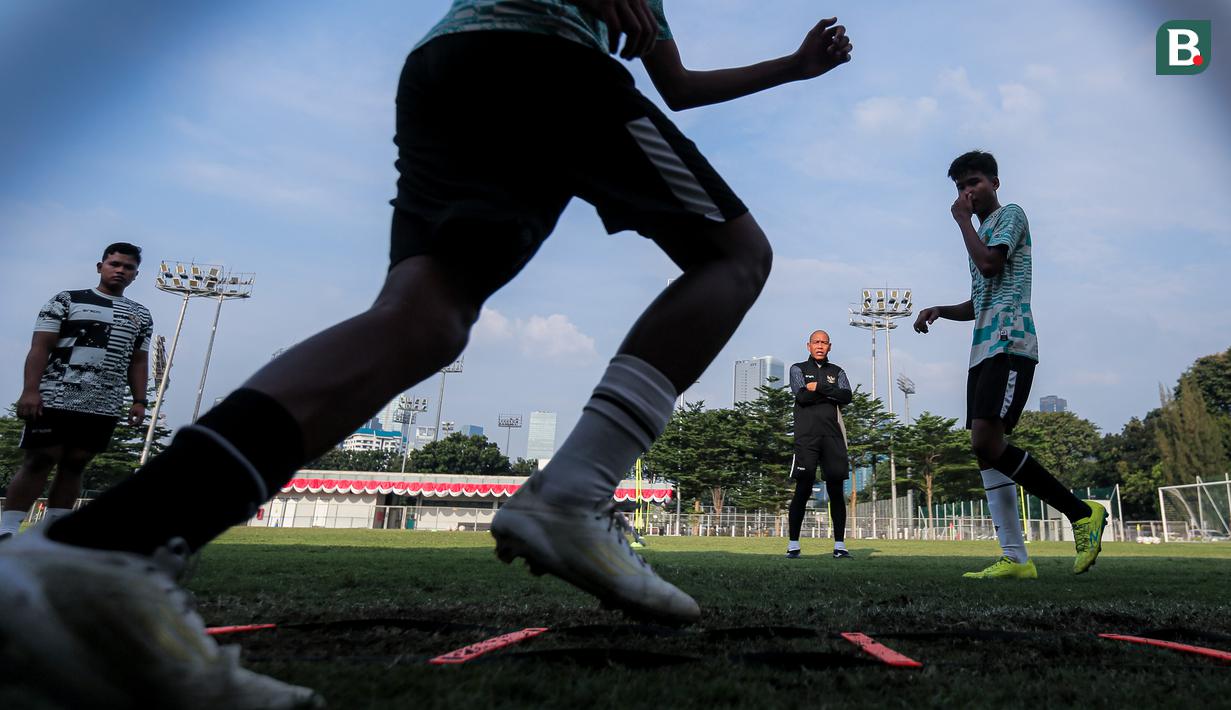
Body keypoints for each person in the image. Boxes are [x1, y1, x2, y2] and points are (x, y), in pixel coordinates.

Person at [0, 2, 854, 706]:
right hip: (541, 58)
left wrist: (791, 67)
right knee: (734, 257)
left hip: (453, 64)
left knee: (424, 320)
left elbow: (677, 85)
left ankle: (113, 543)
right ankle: (573, 494)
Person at [913, 150, 1107, 580]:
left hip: (1010, 342)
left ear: (995, 183)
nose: (967, 192)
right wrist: (941, 310)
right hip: (983, 348)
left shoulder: (1010, 216)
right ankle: (1016, 559)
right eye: (960, 186)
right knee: (983, 450)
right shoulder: (981, 232)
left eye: (974, 182)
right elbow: (980, 298)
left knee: (987, 443)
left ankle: (1081, 513)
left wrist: (961, 221)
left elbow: (990, 264)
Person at [0, 243, 151, 541]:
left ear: (135, 275)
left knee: (75, 463)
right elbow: (40, 347)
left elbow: (139, 361)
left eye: (128, 267)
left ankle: (53, 535)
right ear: (100, 266)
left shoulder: (141, 315)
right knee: (40, 459)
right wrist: (30, 390)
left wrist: (139, 400)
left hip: (103, 402)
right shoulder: (67, 300)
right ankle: (7, 530)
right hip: (55, 395)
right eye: (115, 264)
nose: (120, 270)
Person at [786, 330, 852, 559]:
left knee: (836, 491)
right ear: (809, 346)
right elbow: (802, 396)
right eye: (816, 342)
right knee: (803, 488)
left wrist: (819, 387)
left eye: (824, 342)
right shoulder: (797, 369)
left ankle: (840, 546)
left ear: (829, 346)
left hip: (833, 437)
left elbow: (847, 396)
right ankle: (793, 545)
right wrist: (831, 393)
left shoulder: (838, 371)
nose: (820, 346)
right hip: (807, 438)